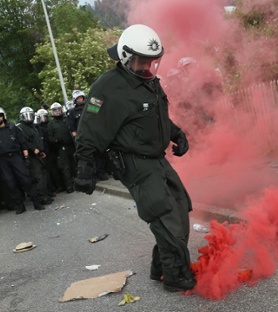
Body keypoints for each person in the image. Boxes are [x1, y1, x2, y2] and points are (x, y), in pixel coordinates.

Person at [74, 24, 195, 292]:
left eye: (153, 62)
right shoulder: (108, 87)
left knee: (179, 206)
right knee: (164, 215)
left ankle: (161, 267)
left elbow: (157, 117)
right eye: (142, 61)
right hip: (133, 162)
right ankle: (176, 276)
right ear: (126, 57)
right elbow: (90, 127)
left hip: (156, 158)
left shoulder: (149, 81)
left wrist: (177, 134)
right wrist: (85, 165)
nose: (148, 67)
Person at [0, 106, 45, 214]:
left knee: (26, 180)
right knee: (10, 184)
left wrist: (26, 158)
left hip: (16, 157)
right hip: (2, 160)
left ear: (4, 116)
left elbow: (23, 144)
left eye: (0, 116)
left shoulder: (13, 128)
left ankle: (36, 202)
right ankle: (19, 206)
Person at [17, 107, 53, 205]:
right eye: (26, 115)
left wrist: (40, 150)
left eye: (30, 115)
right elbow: (24, 142)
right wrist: (33, 149)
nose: (29, 118)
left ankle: (45, 194)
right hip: (31, 156)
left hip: (38, 154)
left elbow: (36, 140)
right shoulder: (20, 127)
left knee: (43, 174)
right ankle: (42, 197)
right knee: (38, 176)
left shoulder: (32, 127)